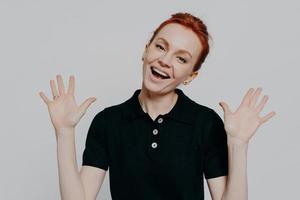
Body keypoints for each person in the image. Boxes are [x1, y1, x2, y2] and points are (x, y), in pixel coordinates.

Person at [39, 12, 276, 200]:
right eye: (161, 46)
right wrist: (64, 133)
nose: (164, 60)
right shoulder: (108, 122)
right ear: (146, 49)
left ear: (191, 76)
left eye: (181, 58)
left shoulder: (205, 123)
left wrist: (238, 144)